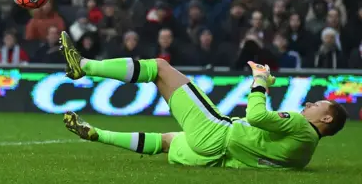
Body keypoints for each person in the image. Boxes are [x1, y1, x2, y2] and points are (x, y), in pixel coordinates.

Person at [57, 31, 347, 169]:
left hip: (218, 133)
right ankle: (98, 135)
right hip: (217, 157)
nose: (309, 104)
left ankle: (84, 66)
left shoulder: (298, 123)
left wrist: (259, 81)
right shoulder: (305, 153)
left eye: (317, 105)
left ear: (326, 118)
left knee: (160, 68)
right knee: (167, 140)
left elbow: (257, 116)